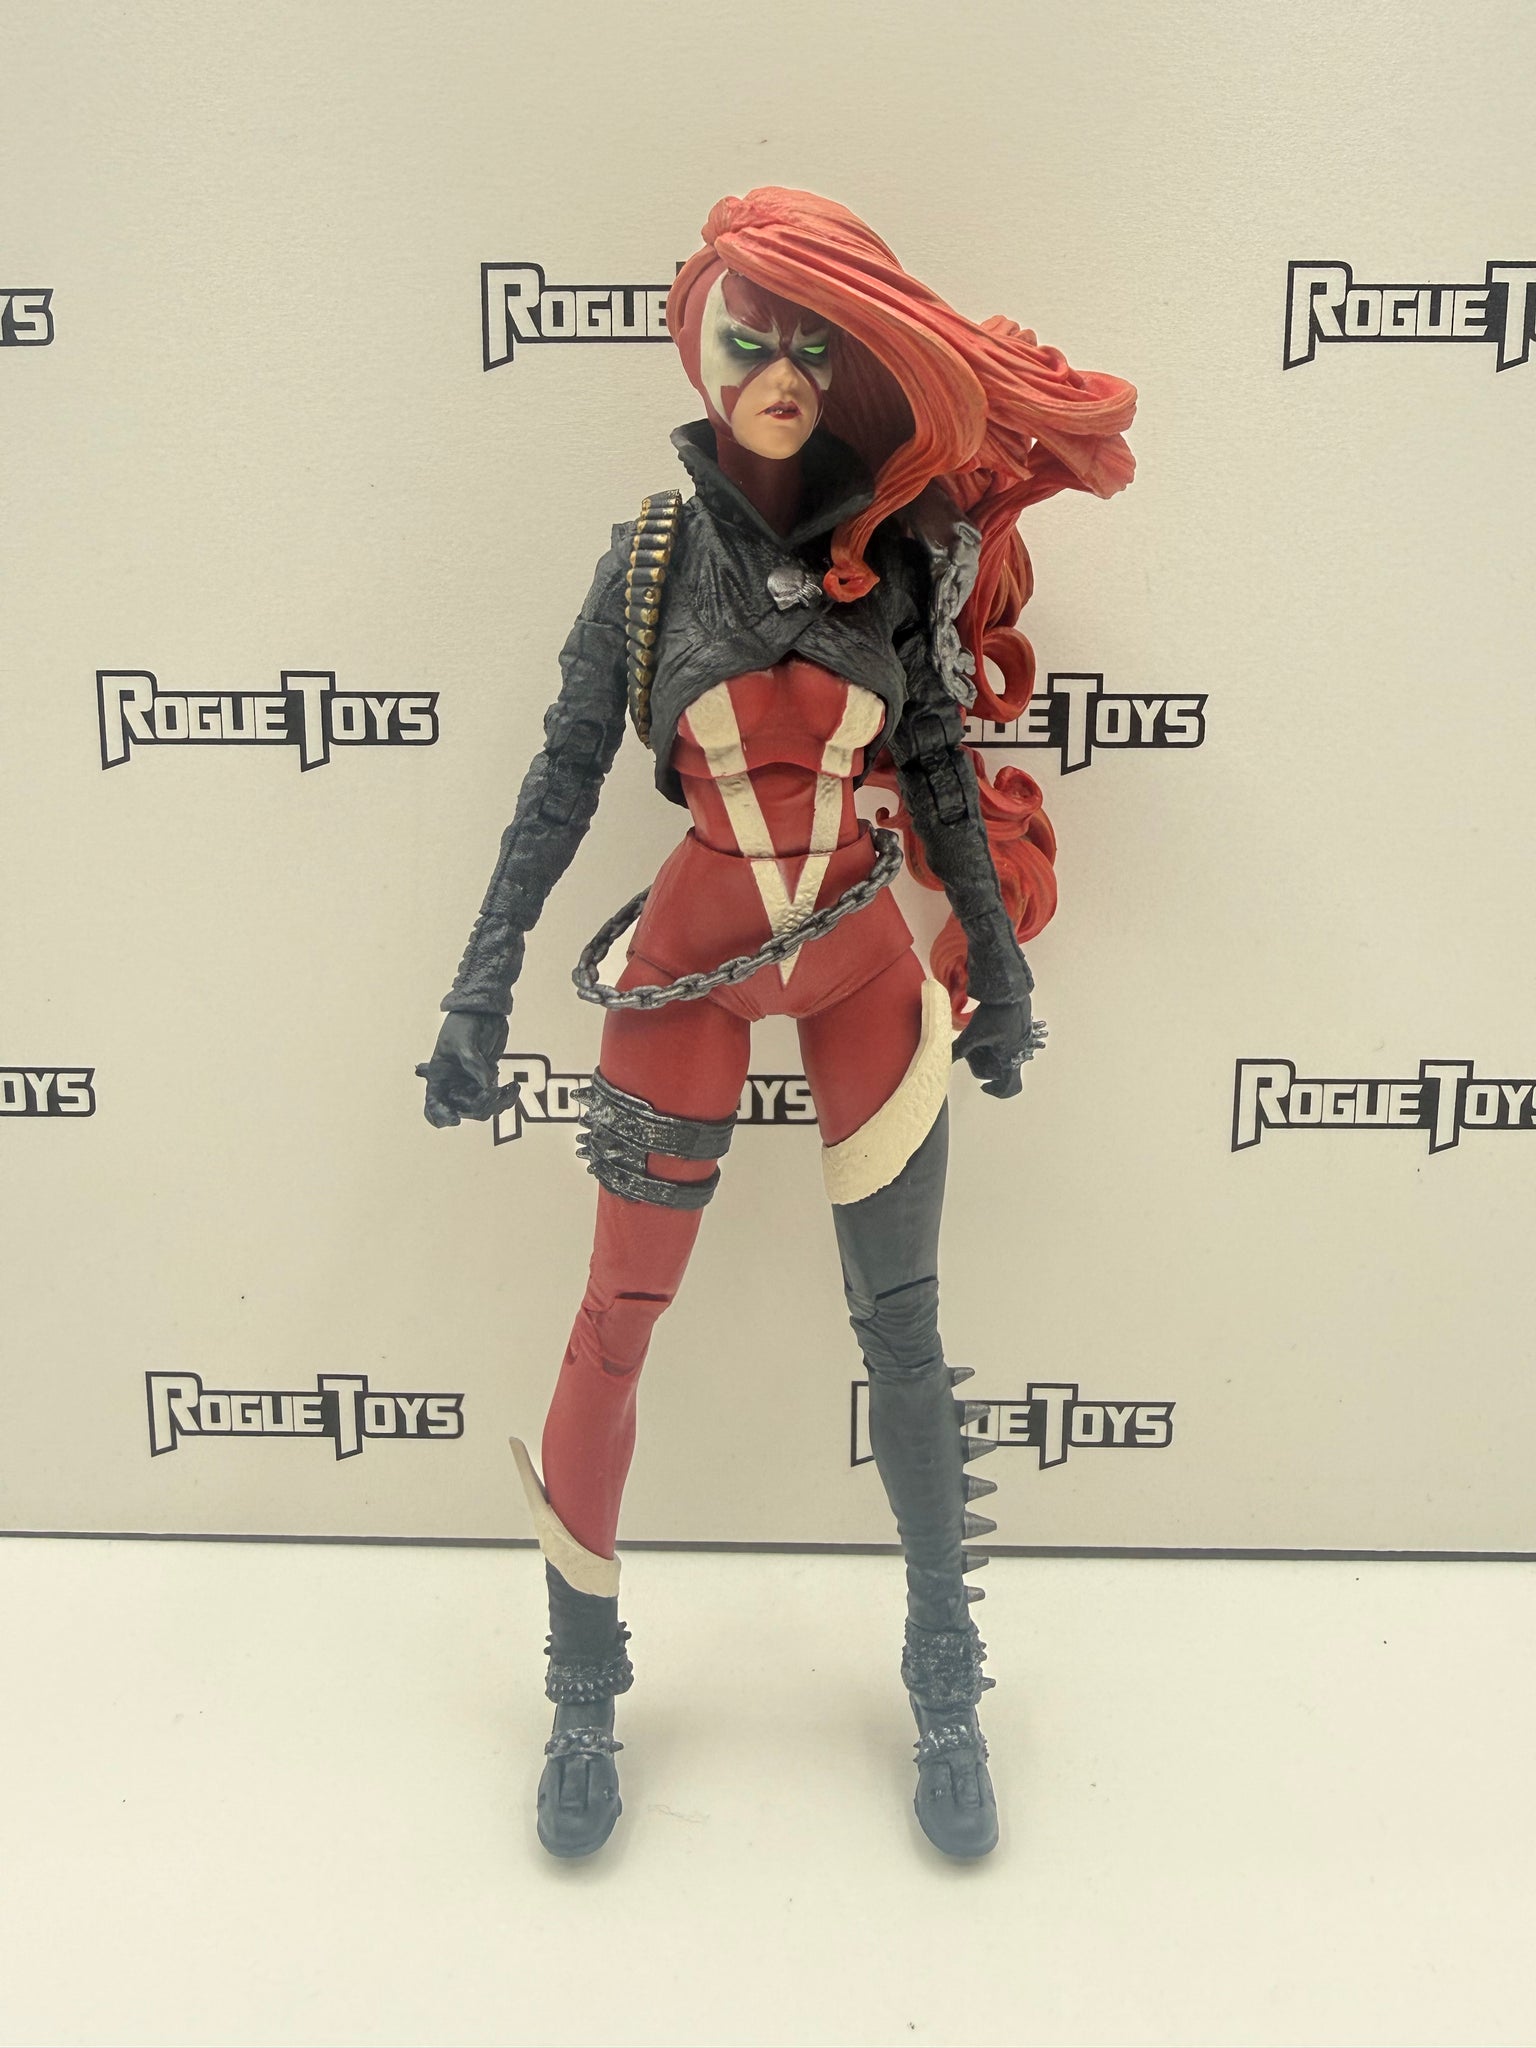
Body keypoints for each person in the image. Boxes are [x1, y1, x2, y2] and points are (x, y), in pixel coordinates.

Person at [419, 187, 1135, 1859]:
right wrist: (476, 983)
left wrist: (1002, 964)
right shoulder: (647, 564)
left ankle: (946, 1686)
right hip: (692, 954)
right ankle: (581, 1692)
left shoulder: (900, 558)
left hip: (859, 959)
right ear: (702, 345)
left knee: (905, 1331)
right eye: (750, 337)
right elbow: (559, 781)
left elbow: (940, 769)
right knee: (616, 1321)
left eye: (814, 344)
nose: (780, 372)